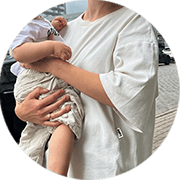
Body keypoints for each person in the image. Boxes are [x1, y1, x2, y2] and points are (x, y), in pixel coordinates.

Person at [15, 1, 159, 179]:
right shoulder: (64, 30)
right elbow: (33, 77)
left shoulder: (134, 22)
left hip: (108, 165)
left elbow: (132, 93)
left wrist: (53, 65)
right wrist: (21, 111)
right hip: (62, 164)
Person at [10, 15, 84, 177]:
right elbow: (19, 52)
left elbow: (37, 37)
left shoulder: (37, 20)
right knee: (66, 117)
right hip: (39, 77)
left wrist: (53, 27)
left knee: (37, 130)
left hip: (34, 80)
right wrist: (51, 47)